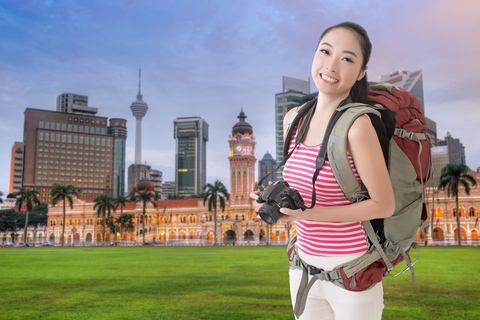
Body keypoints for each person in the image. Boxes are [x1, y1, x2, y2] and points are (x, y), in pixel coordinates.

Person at [251, 22, 395, 320]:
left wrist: (310, 214)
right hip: (302, 269)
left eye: (346, 58)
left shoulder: (357, 126)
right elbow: (300, 187)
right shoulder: (293, 119)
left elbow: (384, 204)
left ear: (361, 72)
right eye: (325, 51)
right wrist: (274, 204)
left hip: (351, 273)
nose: (331, 65)